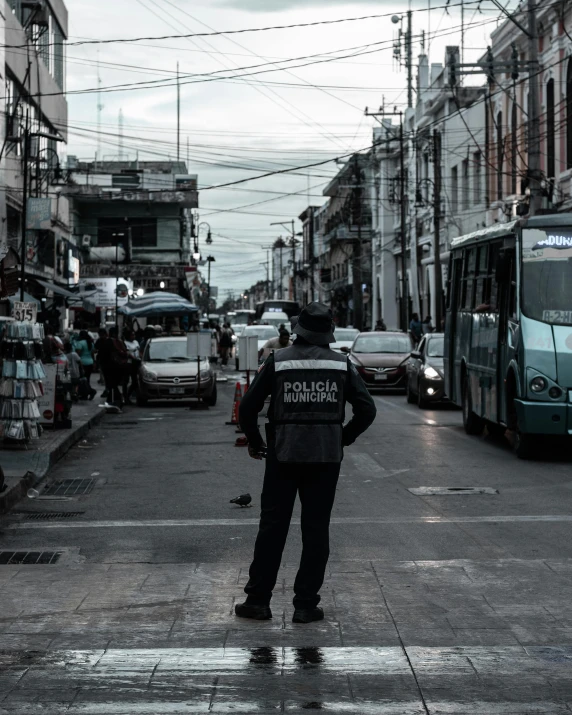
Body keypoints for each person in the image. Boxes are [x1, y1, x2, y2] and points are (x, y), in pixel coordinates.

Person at [236, 302, 377, 624]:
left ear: (299, 330)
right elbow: (367, 410)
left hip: (282, 456)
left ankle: (257, 601)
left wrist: (256, 443)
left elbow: (247, 408)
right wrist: (342, 437)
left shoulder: (278, 361)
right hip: (326, 459)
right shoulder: (342, 365)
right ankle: (305, 605)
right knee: (315, 530)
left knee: (272, 528)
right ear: (327, 332)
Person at [72, 330, 97, 400]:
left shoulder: (80, 343)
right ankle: (85, 394)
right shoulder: (90, 343)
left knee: (81, 380)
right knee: (87, 379)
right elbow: (92, 354)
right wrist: (94, 362)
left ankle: (91, 391)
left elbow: (78, 354)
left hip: (82, 363)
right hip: (90, 363)